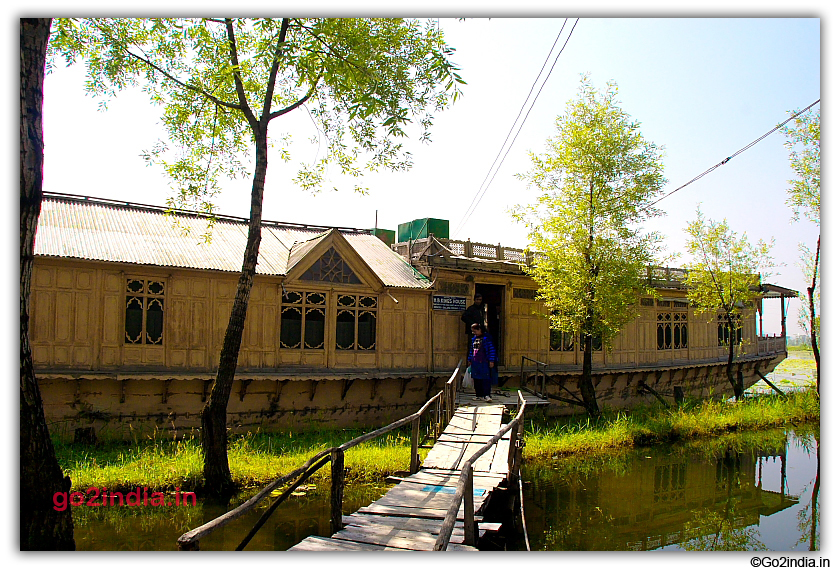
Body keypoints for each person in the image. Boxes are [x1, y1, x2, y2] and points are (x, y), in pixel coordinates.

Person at [467, 322, 496, 403]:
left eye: (475, 331)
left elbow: (491, 350)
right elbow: (471, 351)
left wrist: (491, 360)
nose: (474, 333)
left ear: (479, 330)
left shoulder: (487, 339)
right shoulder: (474, 339)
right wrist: (469, 359)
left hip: (484, 362)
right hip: (475, 362)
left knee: (485, 379)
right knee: (476, 379)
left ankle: (487, 395)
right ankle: (478, 395)